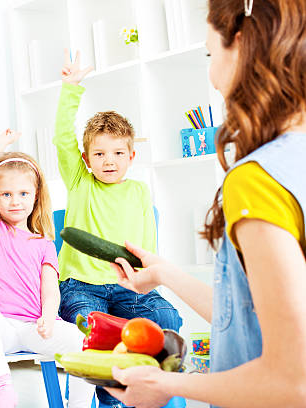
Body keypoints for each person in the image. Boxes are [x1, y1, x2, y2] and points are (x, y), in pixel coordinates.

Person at [104, 1, 306, 407]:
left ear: (244, 45)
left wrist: (165, 385)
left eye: (211, 55)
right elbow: (251, 322)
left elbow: (292, 380)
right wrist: (166, 275)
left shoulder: (257, 180)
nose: (213, 77)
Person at [54, 49, 182, 407]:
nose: (108, 161)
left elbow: (147, 245)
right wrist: (70, 90)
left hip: (130, 287)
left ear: (131, 156)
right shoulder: (80, 182)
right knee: (89, 325)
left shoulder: (139, 191)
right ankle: (112, 397)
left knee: (167, 317)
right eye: (99, 154)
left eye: (117, 153)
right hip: (83, 287)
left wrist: (148, 279)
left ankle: (143, 385)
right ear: (85, 159)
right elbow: (63, 137)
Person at [0, 129, 95, 408]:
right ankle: (3, 388)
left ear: (35, 196)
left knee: (85, 342)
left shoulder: (44, 243)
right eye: (6, 194)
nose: (15, 201)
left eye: (23, 193)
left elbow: (49, 290)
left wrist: (48, 316)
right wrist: (2, 144)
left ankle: (80, 405)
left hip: (34, 327)